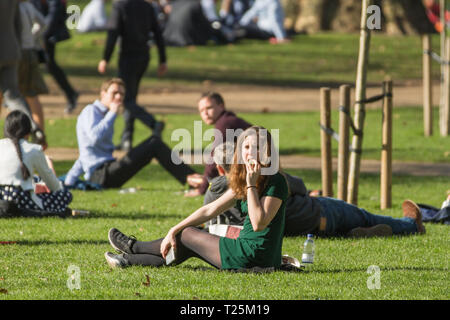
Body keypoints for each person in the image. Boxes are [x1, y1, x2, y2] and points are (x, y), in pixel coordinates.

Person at [105, 126, 289, 270]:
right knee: (183, 244)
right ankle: (127, 260)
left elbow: (259, 224)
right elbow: (210, 210)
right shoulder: (244, 179)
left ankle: (133, 246)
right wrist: (172, 230)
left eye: (257, 147)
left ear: (267, 151)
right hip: (247, 250)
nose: (250, 153)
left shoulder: (276, 180)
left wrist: (251, 185)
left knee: (187, 234)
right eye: (246, 147)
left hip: (255, 256)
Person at [204, 142, 426, 237]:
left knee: (350, 221)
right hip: (316, 212)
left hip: (301, 229)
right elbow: (299, 186)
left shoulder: (213, 194)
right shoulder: (262, 175)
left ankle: (354, 234)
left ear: (219, 169)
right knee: (362, 215)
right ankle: (411, 225)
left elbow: (213, 224)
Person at [64, 78, 196, 189]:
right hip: (101, 175)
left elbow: (86, 153)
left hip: (106, 172)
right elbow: (94, 139)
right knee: (154, 143)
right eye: (114, 93)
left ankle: (191, 178)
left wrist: (70, 179)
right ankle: (192, 178)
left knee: (153, 144)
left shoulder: (104, 113)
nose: (118, 97)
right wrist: (112, 114)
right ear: (103, 93)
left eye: (121, 94)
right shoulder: (91, 111)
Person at [98, 0, 167, 152]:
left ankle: (153, 124)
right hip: (143, 57)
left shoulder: (120, 5)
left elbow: (113, 32)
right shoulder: (147, 6)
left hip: (127, 58)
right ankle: (127, 140)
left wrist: (105, 58)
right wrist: (162, 59)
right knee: (131, 98)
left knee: (125, 99)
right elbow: (157, 33)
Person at [0, 110, 73, 216]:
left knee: (35, 181)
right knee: (66, 195)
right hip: (22, 200)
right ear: (28, 132)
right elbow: (53, 185)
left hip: (1, 197)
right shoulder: (34, 149)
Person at [0, 0, 47, 149]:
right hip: (12, 51)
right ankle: (33, 127)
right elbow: (18, 25)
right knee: (13, 95)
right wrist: (17, 49)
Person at [185, 92, 251, 197]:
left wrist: (202, 189)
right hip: (259, 172)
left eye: (209, 108)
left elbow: (214, 159)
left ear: (221, 106)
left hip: (257, 176)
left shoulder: (224, 123)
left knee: (217, 187)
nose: (205, 113)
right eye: (202, 110)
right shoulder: (228, 120)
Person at [31, 0, 79, 114]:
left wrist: (40, 35)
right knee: (46, 65)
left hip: (46, 36)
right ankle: (71, 94)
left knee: (49, 65)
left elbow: (53, 16)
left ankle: (71, 94)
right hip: (35, 35)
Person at [17, 0, 49, 133]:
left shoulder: (14, 7)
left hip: (16, 52)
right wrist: (32, 36)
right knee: (31, 95)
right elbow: (42, 23)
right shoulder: (29, 6)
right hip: (31, 51)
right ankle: (40, 135)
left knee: (8, 94)